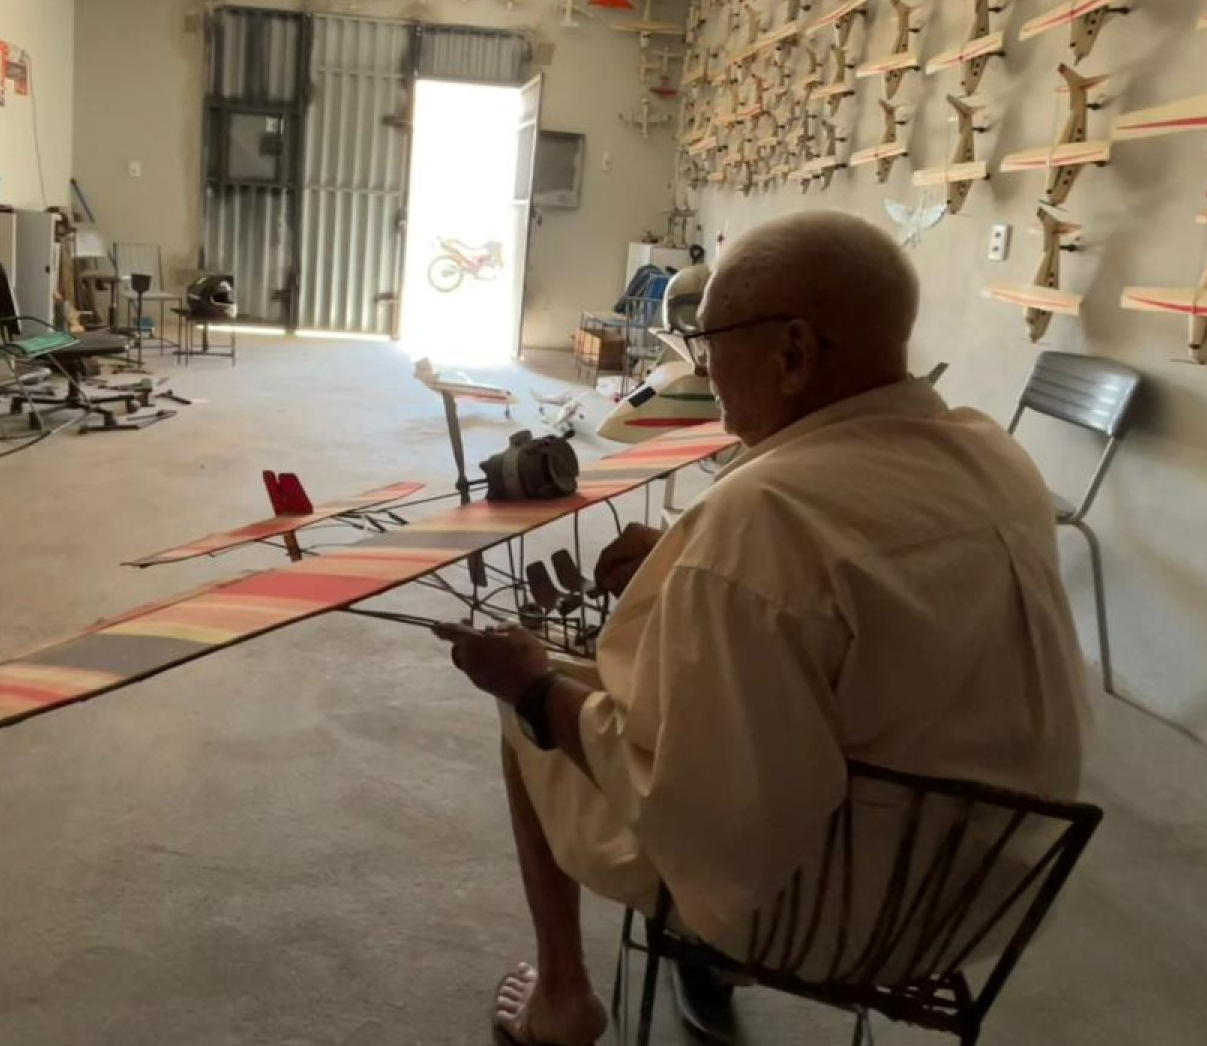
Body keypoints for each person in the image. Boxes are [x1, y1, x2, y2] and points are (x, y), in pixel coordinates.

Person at [439, 211, 1088, 1046]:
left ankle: (563, 1001)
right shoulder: (991, 454)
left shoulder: (759, 518)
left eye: (710, 347)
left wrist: (532, 684)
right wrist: (684, 559)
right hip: (984, 896)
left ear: (792, 352)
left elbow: (706, 819)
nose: (706, 376)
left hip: (831, 913)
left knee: (530, 705)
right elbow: (859, 601)